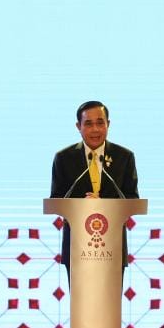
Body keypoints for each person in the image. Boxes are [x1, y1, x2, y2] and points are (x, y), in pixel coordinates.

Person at [50, 100, 139, 273]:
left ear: (108, 124)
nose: (95, 129)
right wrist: (83, 205)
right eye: (88, 124)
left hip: (113, 246)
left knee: (110, 292)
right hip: (77, 246)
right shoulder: (64, 158)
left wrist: (103, 204)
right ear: (78, 126)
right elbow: (56, 201)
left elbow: (132, 199)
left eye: (100, 123)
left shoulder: (124, 157)